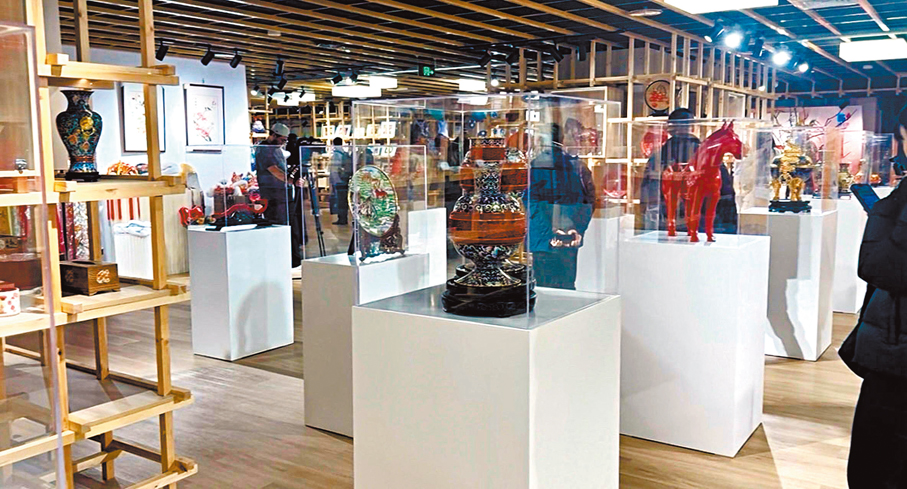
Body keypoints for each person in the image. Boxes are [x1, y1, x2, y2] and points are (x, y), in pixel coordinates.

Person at [840, 104, 907, 488]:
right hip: (893, 343)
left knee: (878, 463)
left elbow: (879, 265)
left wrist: (883, 211)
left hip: (897, 352)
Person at [527, 123, 594, 290]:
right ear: (562, 139)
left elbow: (530, 203)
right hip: (567, 237)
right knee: (567, 284)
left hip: (544, 240)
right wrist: (576, 229)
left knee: (544, 287)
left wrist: (548, 232)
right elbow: (588, 201)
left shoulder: (536, 165)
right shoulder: (575, 166)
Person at [639, 108, 701, 233]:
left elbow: (648, 192)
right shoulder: (705, 153)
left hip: (667, 220)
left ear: (669, 128)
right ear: (693, 127)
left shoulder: (659, 155)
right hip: (696, 220)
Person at [254, 122, 292, 226]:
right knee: (276, 222)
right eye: (282, 140)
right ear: (274, 135)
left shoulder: (276, 149)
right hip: (272, 196)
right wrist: (291, 181)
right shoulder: (264, 149)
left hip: (281, 194)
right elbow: (274, 170)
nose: (283, 143)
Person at [329, 136, 352, 225]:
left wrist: (334, 182)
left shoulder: (336, 154)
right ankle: (343, 217)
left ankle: (341, 218)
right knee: (343, 200)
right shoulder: (344, 153)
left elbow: (334, 170)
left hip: (338, 181)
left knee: (340, 201)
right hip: (344, 179)